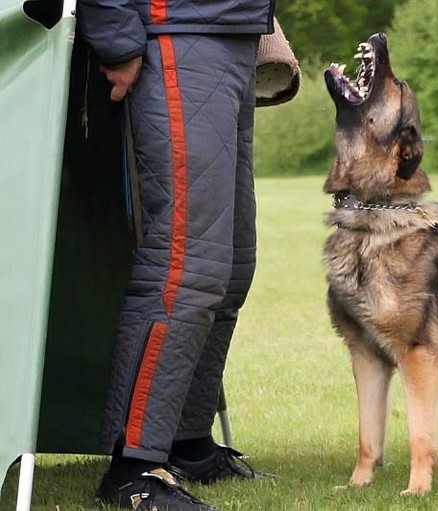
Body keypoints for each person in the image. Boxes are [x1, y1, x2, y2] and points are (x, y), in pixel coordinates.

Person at [75, 1, 299, 509]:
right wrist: (116, 39)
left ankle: (187, 444)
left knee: (232, 265)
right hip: (176, 32)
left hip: (231, 34)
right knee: (184, 267)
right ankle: (132, 469)